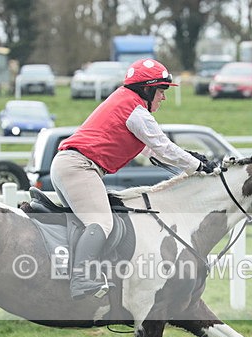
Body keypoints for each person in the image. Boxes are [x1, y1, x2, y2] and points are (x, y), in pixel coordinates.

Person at [51, 58, 217, 300]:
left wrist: (189, 159)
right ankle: (81, 279)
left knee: (89, 222)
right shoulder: (137, 111)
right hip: (79, 167)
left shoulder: (125, 103)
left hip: (70, 165)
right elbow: (162, 146)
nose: (164, 97)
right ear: (147, 89)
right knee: (102, 224)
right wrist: (198, 165)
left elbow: (152, 150)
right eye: (161, 91)